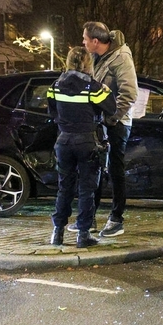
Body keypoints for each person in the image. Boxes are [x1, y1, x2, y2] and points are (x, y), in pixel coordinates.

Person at [47, 46, 116, 248]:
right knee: (86, 189)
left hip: (63, 141)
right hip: (86, 141)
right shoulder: (92, 87)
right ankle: (83, 235)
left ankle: (57, 233)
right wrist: (107, 90)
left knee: (64, 188)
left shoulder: (56, 85)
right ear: (88, 63)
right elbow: (111, 109)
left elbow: (52, 112)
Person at [81, 21, 137, 238]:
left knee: (115, 170)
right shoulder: (98, 57)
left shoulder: (121, 57)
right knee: (96, 168)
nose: (83, 42)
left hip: (117, 123)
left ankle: (116, 219)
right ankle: (90, 219)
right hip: (102, 122)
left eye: (85, 38)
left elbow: (130, 93)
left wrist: (111, 118)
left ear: (96, 41)